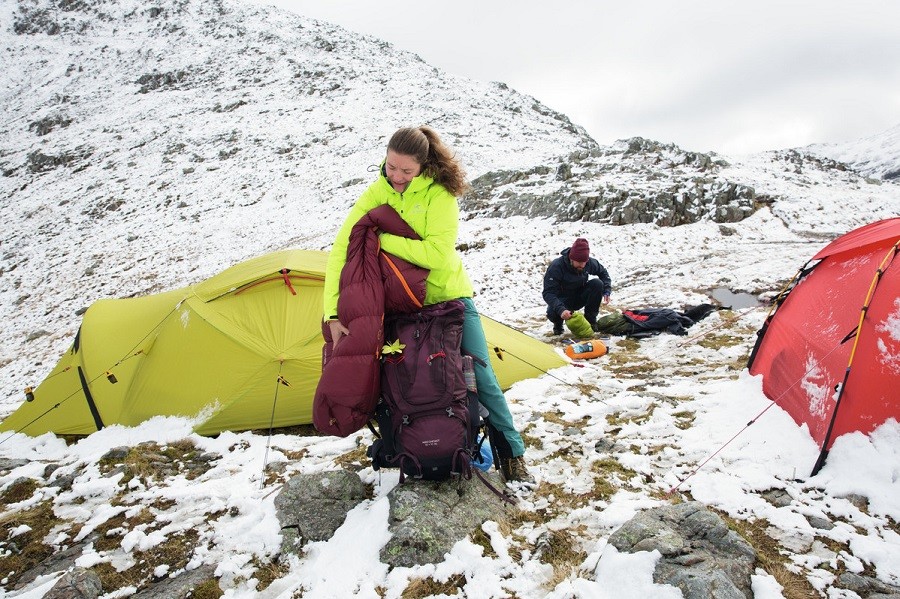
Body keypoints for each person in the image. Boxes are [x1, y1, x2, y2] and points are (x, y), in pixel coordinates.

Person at [323, 126, 534, 484]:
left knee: (481, 375)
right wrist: (331, 312)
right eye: (392, 167)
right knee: (396, 378)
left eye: (407, 171)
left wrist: (385, 240)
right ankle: (408, 446)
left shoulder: (440, 196)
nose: (398, 177)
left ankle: (512, 454)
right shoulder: (375, 194)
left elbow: (438, 253)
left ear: (423, 166)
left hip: (450, 298)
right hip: (402, 305)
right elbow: (342, 253)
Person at [542, 238, 612, 335]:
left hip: (579, 296)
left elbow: (603, 273)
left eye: (584, 262)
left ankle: (591, 321)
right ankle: (558, 325)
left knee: (597, 284)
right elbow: (548, 293)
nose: (582, 265)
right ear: (571, 258)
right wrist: (561, 309)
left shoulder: (588, 263)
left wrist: (607, 290)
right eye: (579, 262)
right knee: (552, 313)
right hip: (562, 299)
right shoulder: (556, 266)